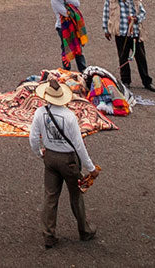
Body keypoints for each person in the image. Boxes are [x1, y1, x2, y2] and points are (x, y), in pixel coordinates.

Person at [28, 77, 97, 248]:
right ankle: (85, 231)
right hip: (68, 160)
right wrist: (91, 168)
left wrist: (40, 154)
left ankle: (49, 235)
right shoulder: (69, 116)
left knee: (50, 197)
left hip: (50, 157)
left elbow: (33, 138)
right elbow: (79, 145)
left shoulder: (40, 113)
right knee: (76, 195)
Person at [101, 0, 155, 92]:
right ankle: (126, 81)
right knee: (123, 57)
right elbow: (106, 14)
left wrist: (136, 19)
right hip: (120, 33)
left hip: (135, 33)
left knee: (141, 57)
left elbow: (143, 13)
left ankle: (147, 82)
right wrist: (106, 30)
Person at [48, 0, 87, 72]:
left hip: (73, 26)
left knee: (78, 47)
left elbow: (77, 3)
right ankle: (66, 69)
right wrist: (69, 3)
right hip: (62, 27)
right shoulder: (54, 0)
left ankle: (82, 69)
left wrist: (67, 2)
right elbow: (66, 13)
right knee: (66, 48)